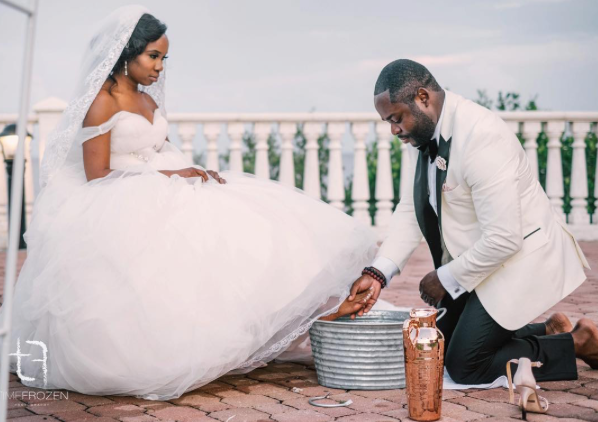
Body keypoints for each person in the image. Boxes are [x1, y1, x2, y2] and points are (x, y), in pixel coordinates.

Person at [3, 6, 376, 400]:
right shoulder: (102, 102)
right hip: (116, 198)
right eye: (153, 56)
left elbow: (158, 149)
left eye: (164, 58)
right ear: (126, 54)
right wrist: (166, 177)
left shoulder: (148, 101)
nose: (160, 67)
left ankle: (277, 327)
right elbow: (97, 175)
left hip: (160, 182)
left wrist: (189, 171)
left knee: (245, 223)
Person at [350, 59, 598, 385]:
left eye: (396, 119)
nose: (393, 130)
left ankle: (579, 343)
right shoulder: (426, 133)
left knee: (465, 364)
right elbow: (412, 208)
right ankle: (548, 331)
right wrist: (378, 272)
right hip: (485, 261)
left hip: (522, 259)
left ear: (423, 98)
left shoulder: (482, 137)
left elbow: (506, 239)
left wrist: (445, 277)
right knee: (438, 341)